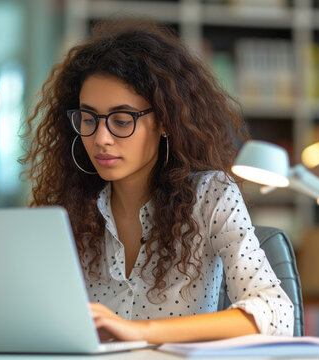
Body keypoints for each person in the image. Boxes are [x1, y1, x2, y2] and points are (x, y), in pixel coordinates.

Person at [21, 21, 294, 344]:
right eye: (88, 119)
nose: (101, 138)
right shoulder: (68, 210)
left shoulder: (210, 196)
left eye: (121, 120)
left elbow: (275, 312)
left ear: (164, 121)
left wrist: (140, 332)